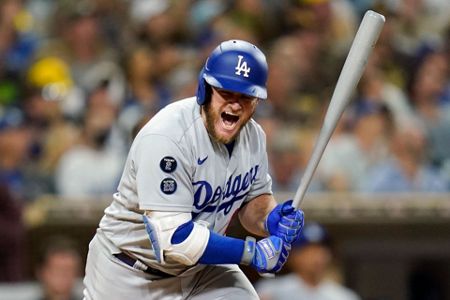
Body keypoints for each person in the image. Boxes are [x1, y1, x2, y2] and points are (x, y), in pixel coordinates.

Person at [82, 39, 305, 299]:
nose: (235, 104)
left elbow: (252, 200)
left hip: (200, 271)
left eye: (245, 96)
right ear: (204, 89)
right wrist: (252, 252)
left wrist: (269, 218)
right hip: (129, 272)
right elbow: (176, 240)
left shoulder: (253, 137)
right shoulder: (167, 137)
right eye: (226, 92)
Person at [255, 223, 361, 300]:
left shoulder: (344, 296)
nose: (317, 257)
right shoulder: (271, 290)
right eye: (308, 251)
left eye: (320, 250)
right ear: (293, 256)